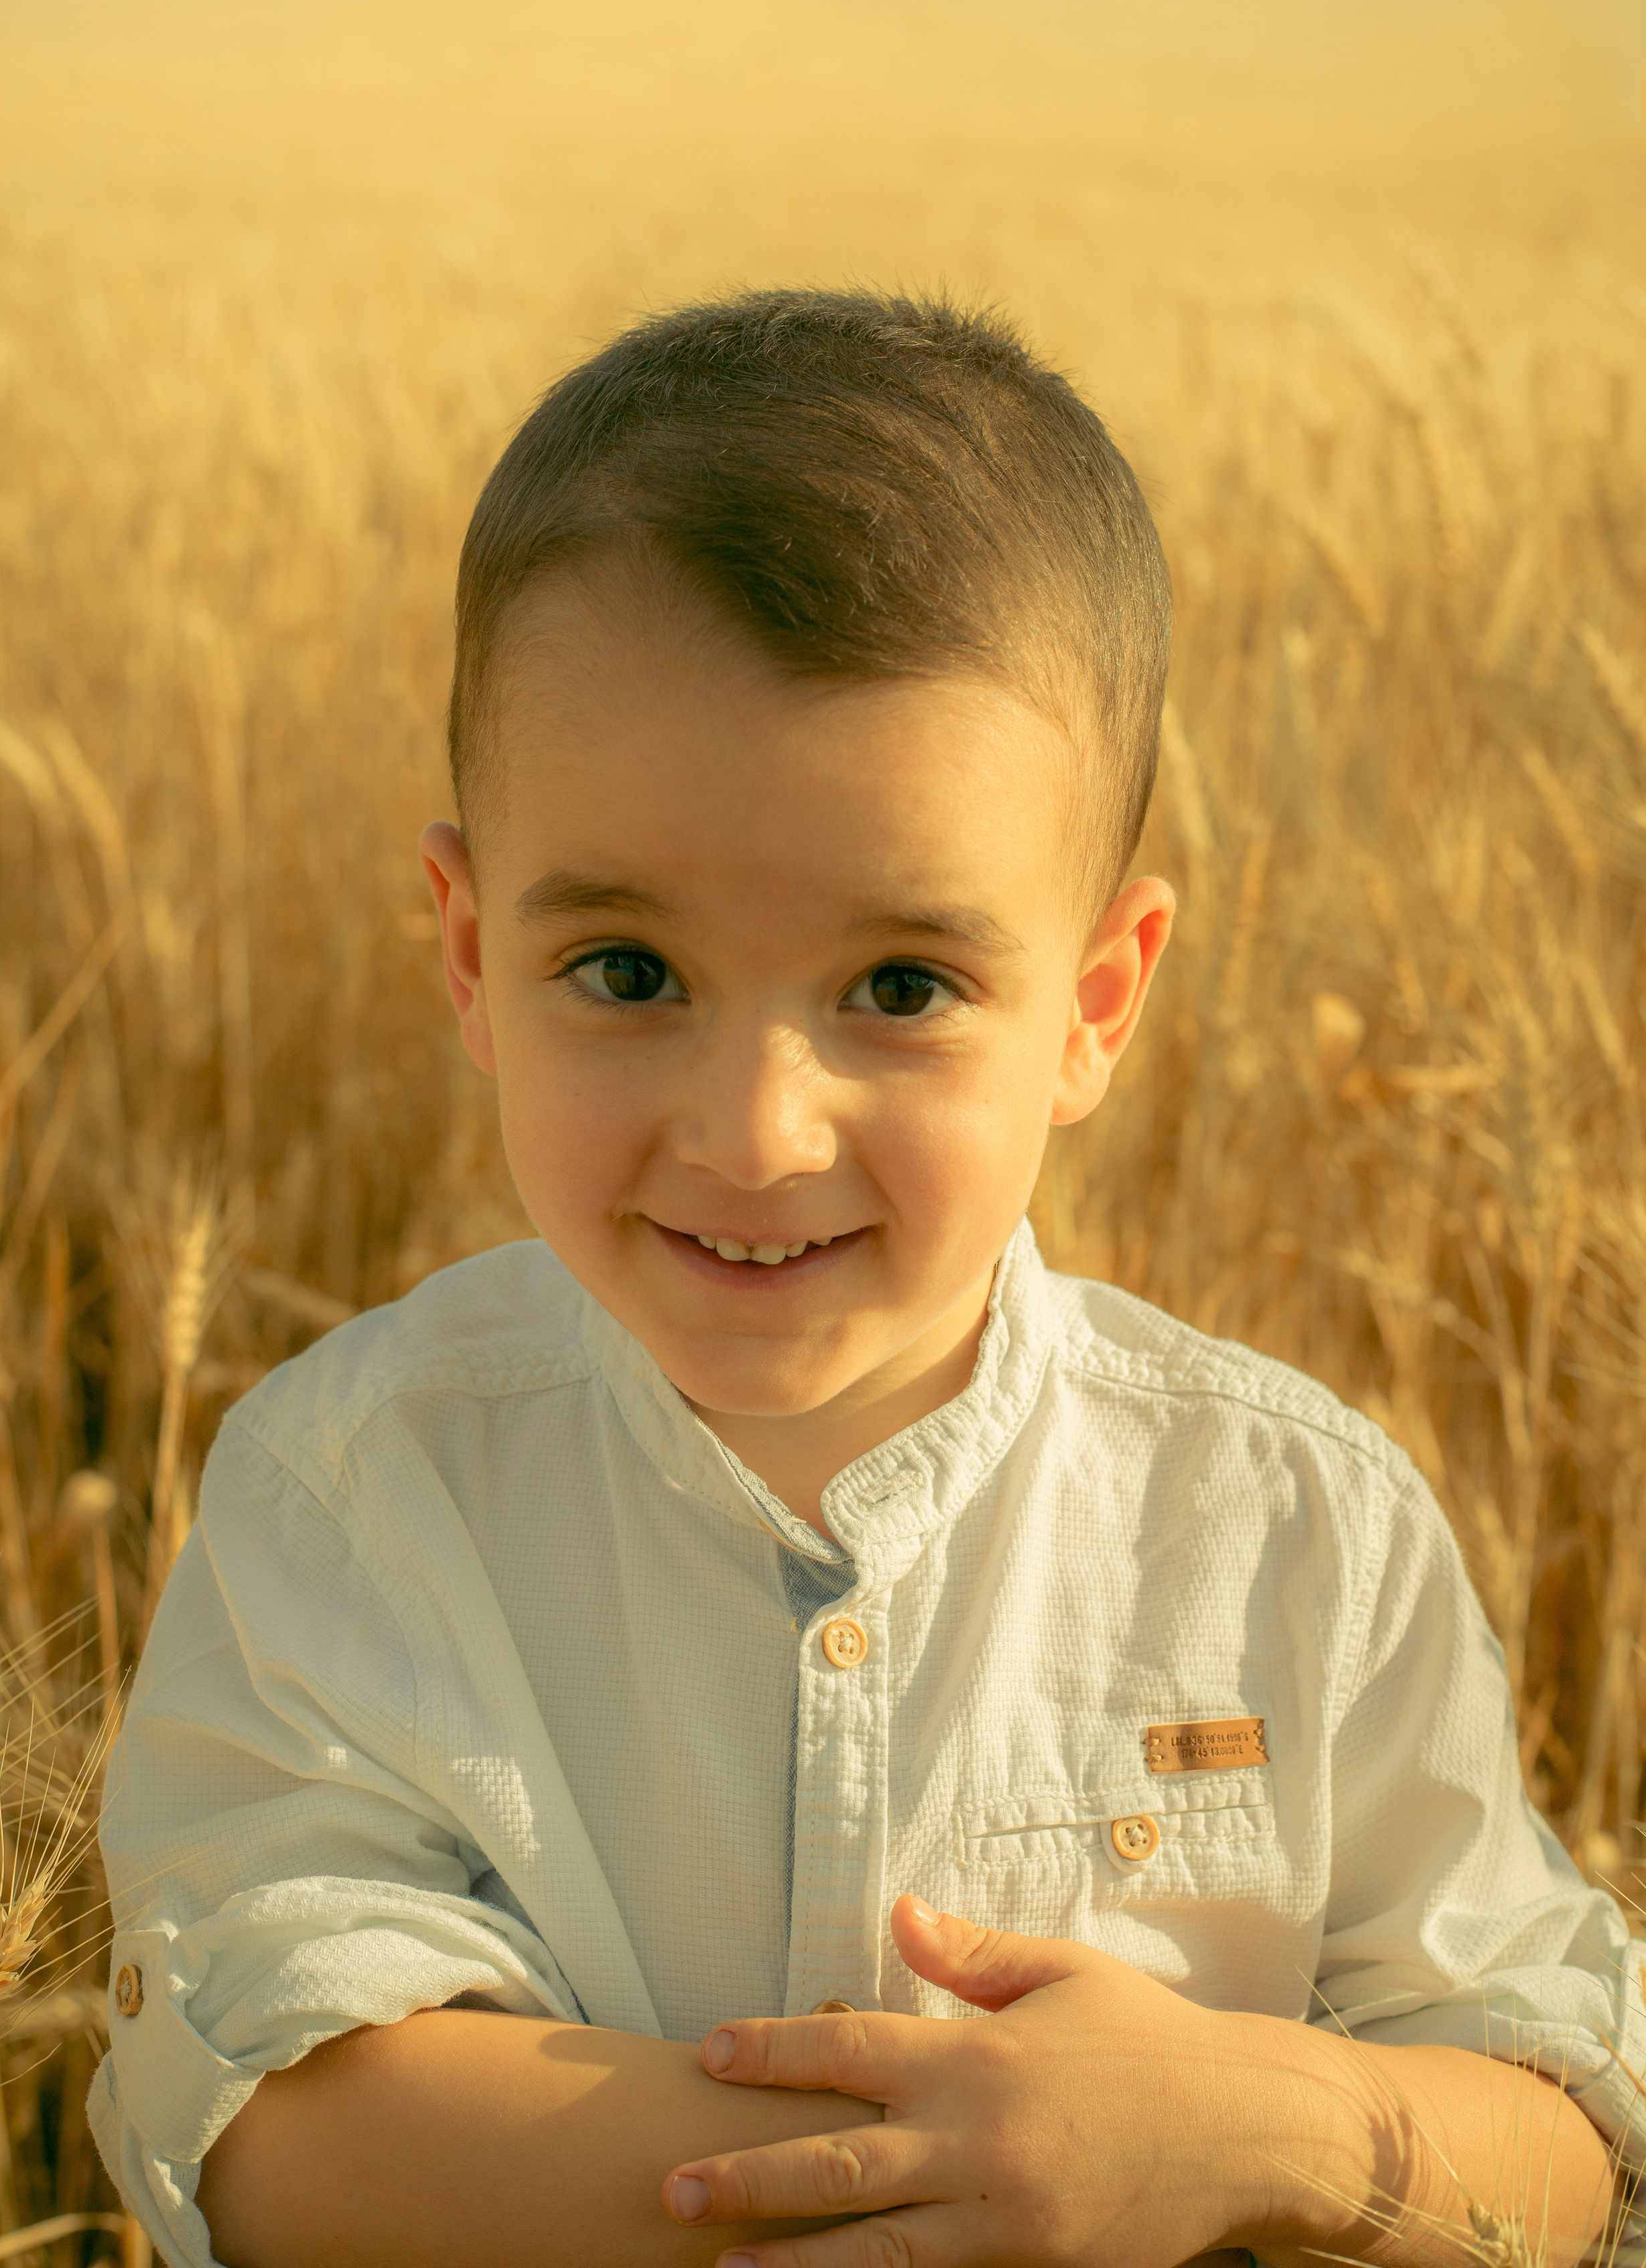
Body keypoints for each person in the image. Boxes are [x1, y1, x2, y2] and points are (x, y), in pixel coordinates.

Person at [90, 292, 1641, 2268]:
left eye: (902, 989)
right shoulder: (355, 1492)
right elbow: (280, 2130)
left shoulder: (1301, 1533)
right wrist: (985, 2170)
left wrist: (1260, 2126)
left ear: (1094, 1006)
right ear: (472, 956)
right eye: (628, 973)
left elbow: (1564, 2122)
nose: (755, 1130)